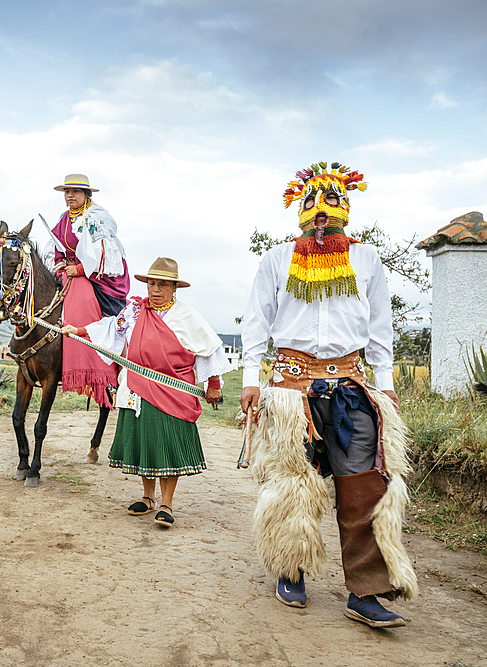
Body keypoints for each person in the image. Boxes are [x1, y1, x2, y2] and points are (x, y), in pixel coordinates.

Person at [240, 161, 417, 627]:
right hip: (290, 389)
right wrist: (251, 381)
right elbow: (257, 321)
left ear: (345, 211)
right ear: (299, 212)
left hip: (353, 388)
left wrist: (388, 385)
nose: (322, 212)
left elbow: (380, 326)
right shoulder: (278, 259)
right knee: (293, 484)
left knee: (362, 486)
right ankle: (291, 569)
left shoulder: (367, 260)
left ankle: (366, 590)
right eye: (312, 204)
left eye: (332, 203)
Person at [62, 257, 228, 525]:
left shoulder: (186, 316)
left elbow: (208, 350)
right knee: (145, 441)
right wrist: (77, 330)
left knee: (166, 443)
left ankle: (167, 504)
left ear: (175, 288)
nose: (156, 289)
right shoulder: (134, 311)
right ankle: (148, 497)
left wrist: (214, 385)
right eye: (152, 283)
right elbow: (110, 330)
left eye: (163, 284)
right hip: (136, 384)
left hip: (173, 388)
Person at [51, 174, 129, 409]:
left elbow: (105, 255)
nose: (70, 195)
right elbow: (56, 246)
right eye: (67, 191)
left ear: (87, 194)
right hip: (72, 272)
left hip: (103, 278)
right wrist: (61, 264)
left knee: (85, 296)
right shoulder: (64, 218)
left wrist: (81, 269)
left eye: (75, 191)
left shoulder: (97, 218)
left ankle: (108, 366)